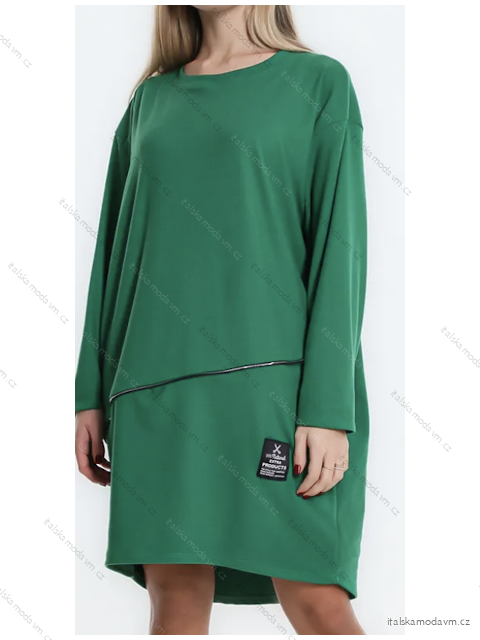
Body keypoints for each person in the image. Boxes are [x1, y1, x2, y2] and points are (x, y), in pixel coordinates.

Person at [75, 5, 369, 635]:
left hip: (273, 389)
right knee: (174, 601)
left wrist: (328, 409)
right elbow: (113, 254)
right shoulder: (151, 100)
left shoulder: (318, 83)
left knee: (315, 596)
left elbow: (340, 249)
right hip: (153, 390)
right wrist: (90, 393)